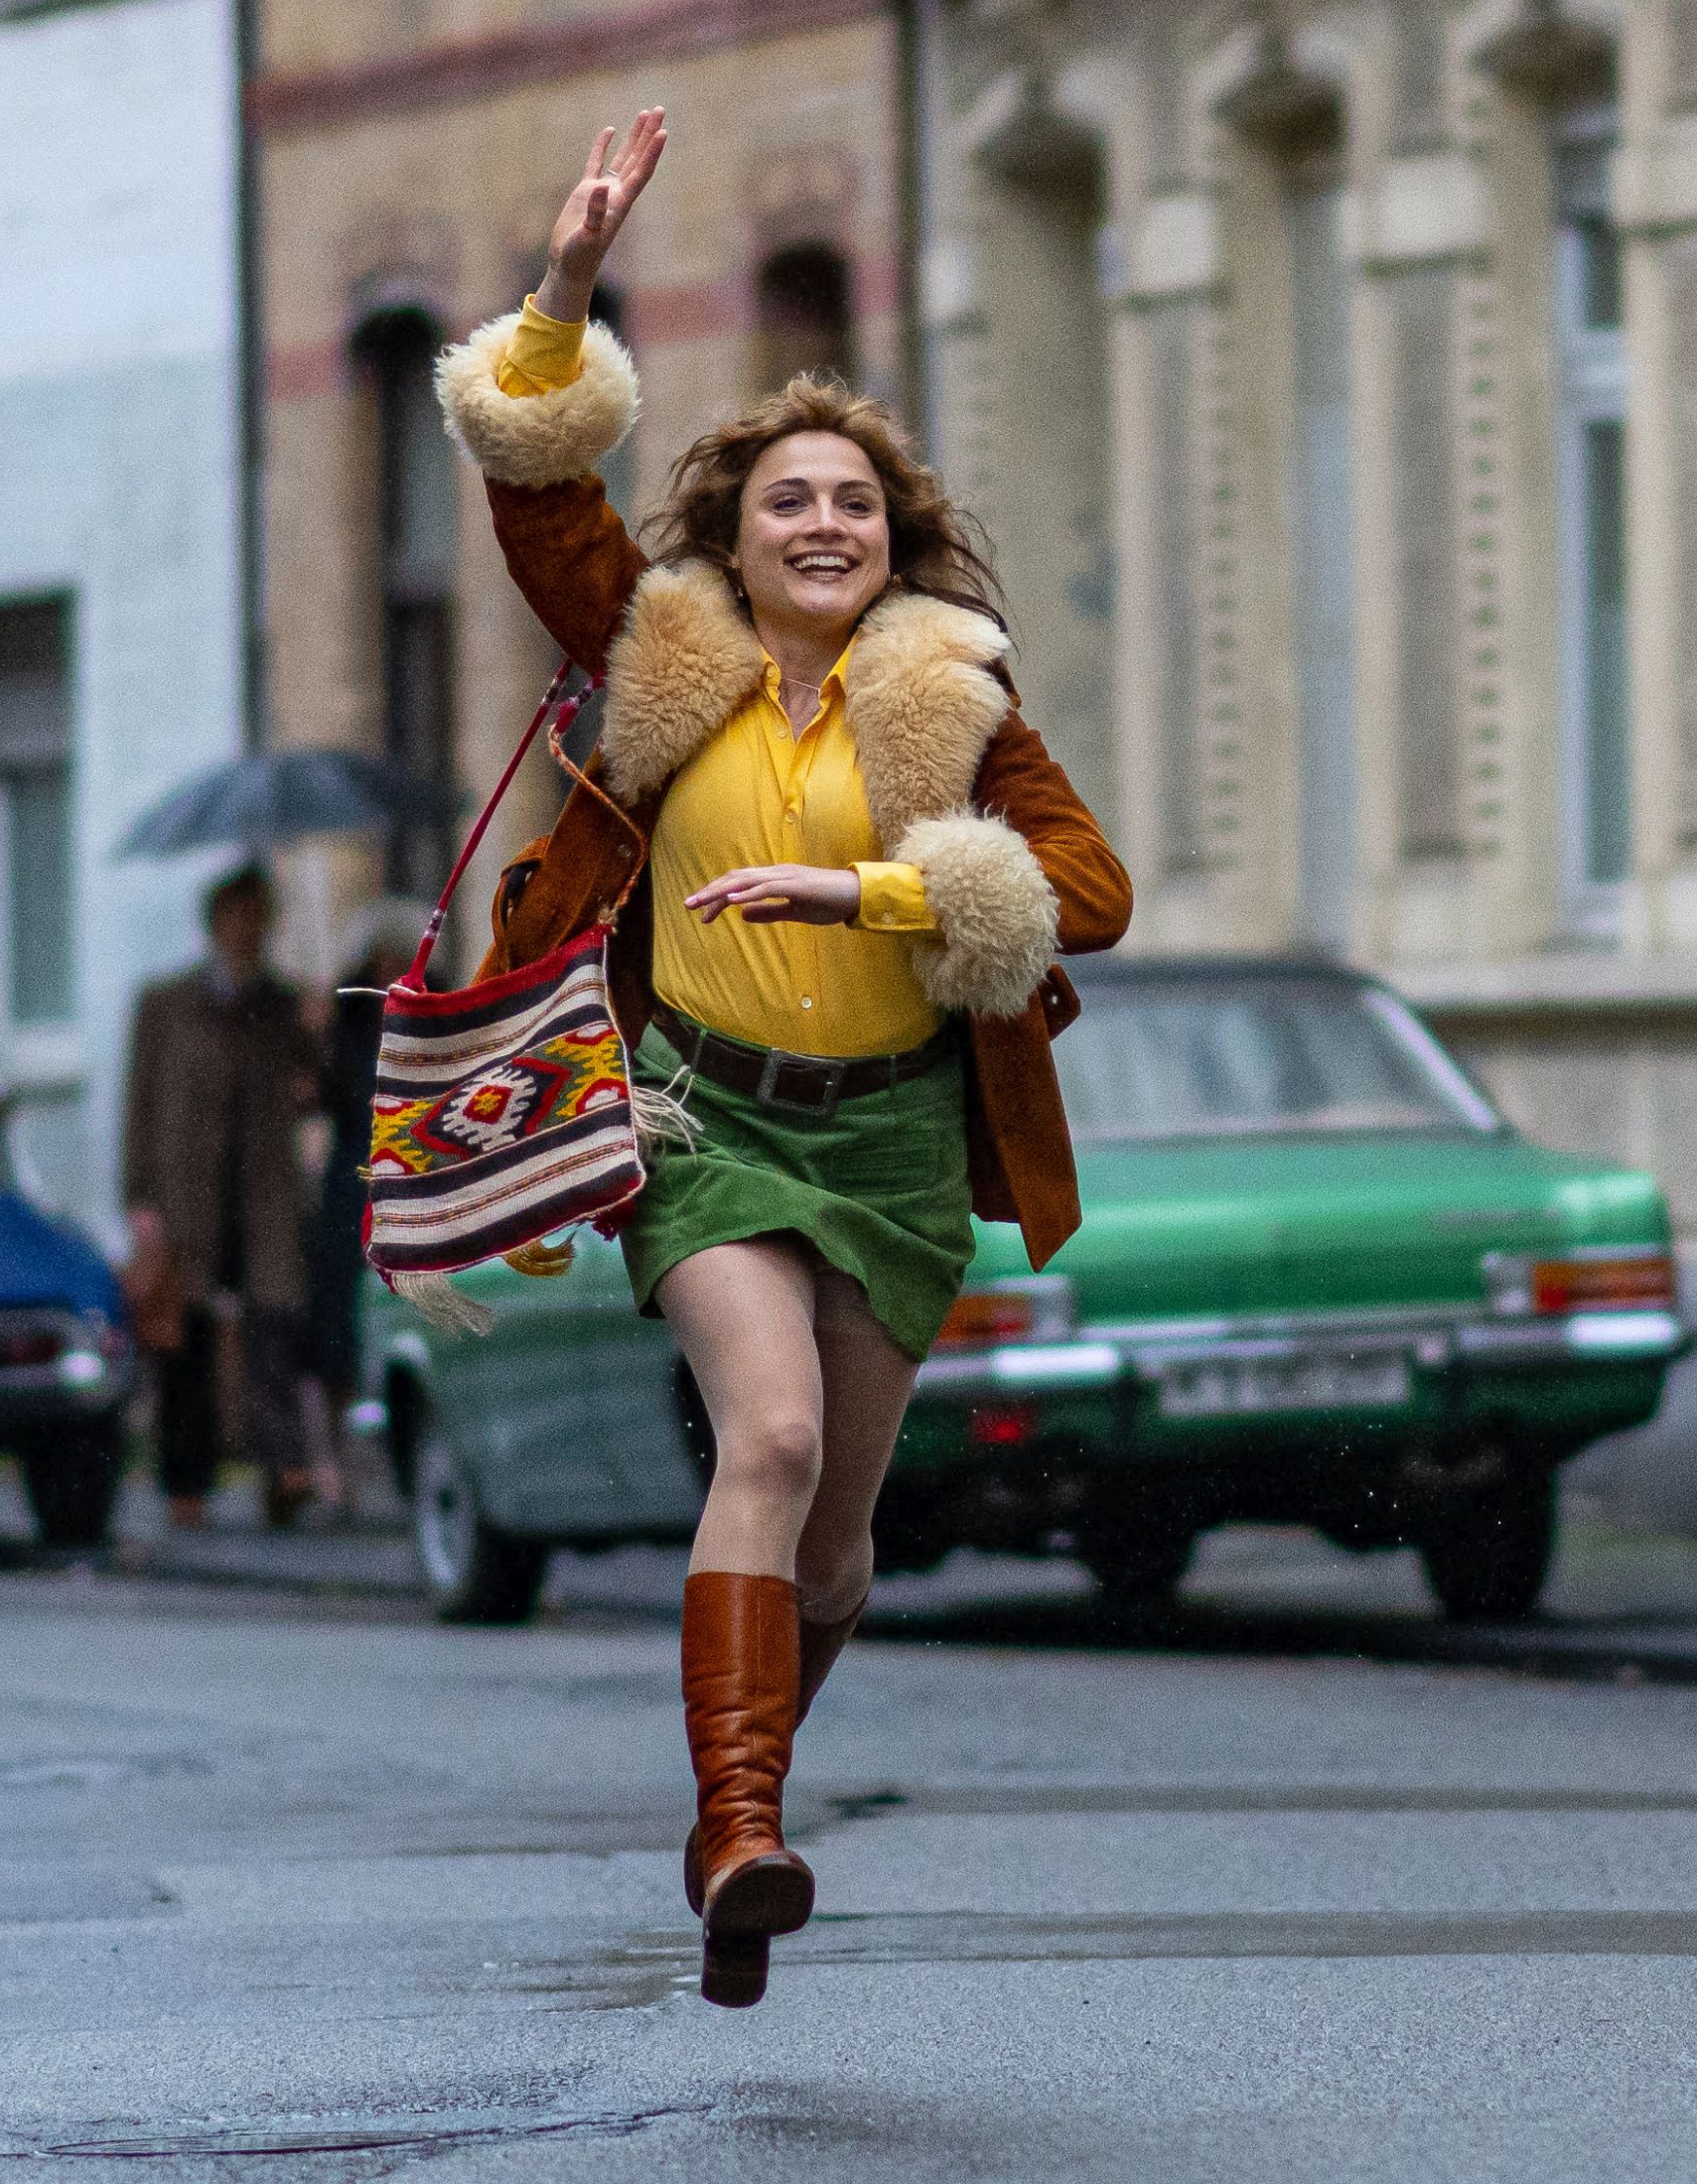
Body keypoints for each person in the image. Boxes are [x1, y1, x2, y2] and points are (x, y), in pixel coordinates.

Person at [439, 109, 1130, 2006]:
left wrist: (884, 894)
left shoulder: (955, 704)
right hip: (709, 1126)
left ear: (894, 542)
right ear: (732, 538)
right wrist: (567, 286)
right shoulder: (659, 654)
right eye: (787, 502)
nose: (825, 524)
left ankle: (733, 1821)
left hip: (896, 1147)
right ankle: (744, 1825)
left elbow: (1092, 890)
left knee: (837, 1558)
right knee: (776, 1436)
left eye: (855, 505)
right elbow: (537, 490)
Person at [121, 864, 325, 1530]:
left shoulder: (283, 1003)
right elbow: (140, 1103)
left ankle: (283, 1472)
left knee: (273, 1329)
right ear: (214, 924)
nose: (250, 931)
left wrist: (316, 1033)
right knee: (186, 1343)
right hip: (187, 1196)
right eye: (239, 918)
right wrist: (139, 1197)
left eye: (261, 918)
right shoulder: (165, 1003)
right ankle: (187, 1483)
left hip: (263, 1194)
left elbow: (318, 1088)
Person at [302, 900, 428, 1521]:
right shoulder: (346, 1018)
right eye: (385, 959)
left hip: (416, 1176)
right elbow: (322, 1093)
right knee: (336, 1320)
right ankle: (335, 1470)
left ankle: (399, 1460)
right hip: (353, 1179)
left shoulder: (435, 1011)